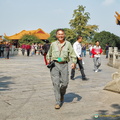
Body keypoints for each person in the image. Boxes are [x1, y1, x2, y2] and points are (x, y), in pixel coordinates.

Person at [46, 29, 76, 109]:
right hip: (54, 65)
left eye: (62, 34)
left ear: (64, 35)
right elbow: (49, 54)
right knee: (56, 84)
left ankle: (62, 94)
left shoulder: (68, 44)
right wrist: (48, 59)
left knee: (65, 83)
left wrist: (73, 62)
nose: (60, 36)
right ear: (56, 36)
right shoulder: (53, 44)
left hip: (64, 65)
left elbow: (73, 54)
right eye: (59, 34)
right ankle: (58, 102)